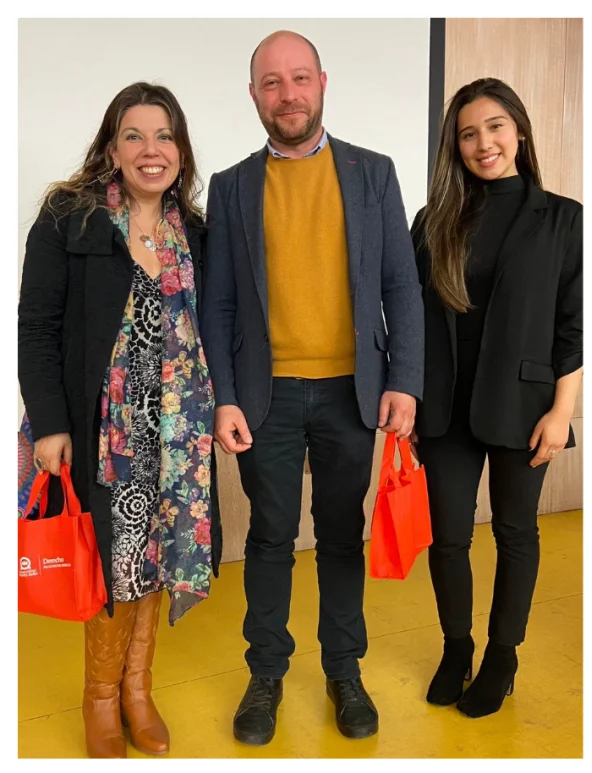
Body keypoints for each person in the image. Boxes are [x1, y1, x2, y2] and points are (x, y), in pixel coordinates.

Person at [201, 31, 423, 745]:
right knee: (268, 536)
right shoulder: (231, 186)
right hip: (264, 397)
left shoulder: (372, 173)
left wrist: (406, 381)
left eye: (299, 78)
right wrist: (224, 395)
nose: (287, 94)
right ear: (254, 94)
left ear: (322, 83)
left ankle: (343, 668)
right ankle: (265, 672)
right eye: (272, 82)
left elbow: (400, 286)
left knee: (339, 535)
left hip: (350, 394)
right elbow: (220, 305)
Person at [18, 82, 219, 758]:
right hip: (105, 433)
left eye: (164, 136)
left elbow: (214, 326)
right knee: (115, 559)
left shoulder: (193, 230)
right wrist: (49, 422)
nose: (150, 149)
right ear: (111, 148)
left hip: (180, 438)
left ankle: (139, 687)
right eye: (134, 135)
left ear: (181, 151)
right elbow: (36, 326)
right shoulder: (68, 218)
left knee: (157, 560)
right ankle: (102, 696)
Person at [411, 78, 583, 718]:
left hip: (526, 404)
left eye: (495, 126)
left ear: (519, 130)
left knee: (515, 534)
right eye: (468, 132)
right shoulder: (434, 220)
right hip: (445, 406)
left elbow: (574, 327)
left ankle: (502, 654)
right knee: (450, 538)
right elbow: (412, 316)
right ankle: (457, 647)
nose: (484, 143)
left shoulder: (565, 218)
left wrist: (563, 413)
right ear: (454, 145)